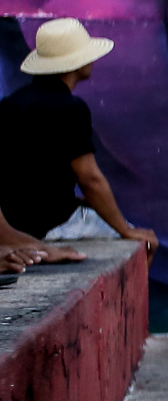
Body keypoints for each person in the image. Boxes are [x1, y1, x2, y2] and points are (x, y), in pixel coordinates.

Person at [0, 18, 156, 260]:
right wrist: (125, 230)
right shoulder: (70, 108)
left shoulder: (10, 103)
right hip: (53, 224)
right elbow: (89, 178)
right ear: (75, 64)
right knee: (146, 245)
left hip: (14, 224)